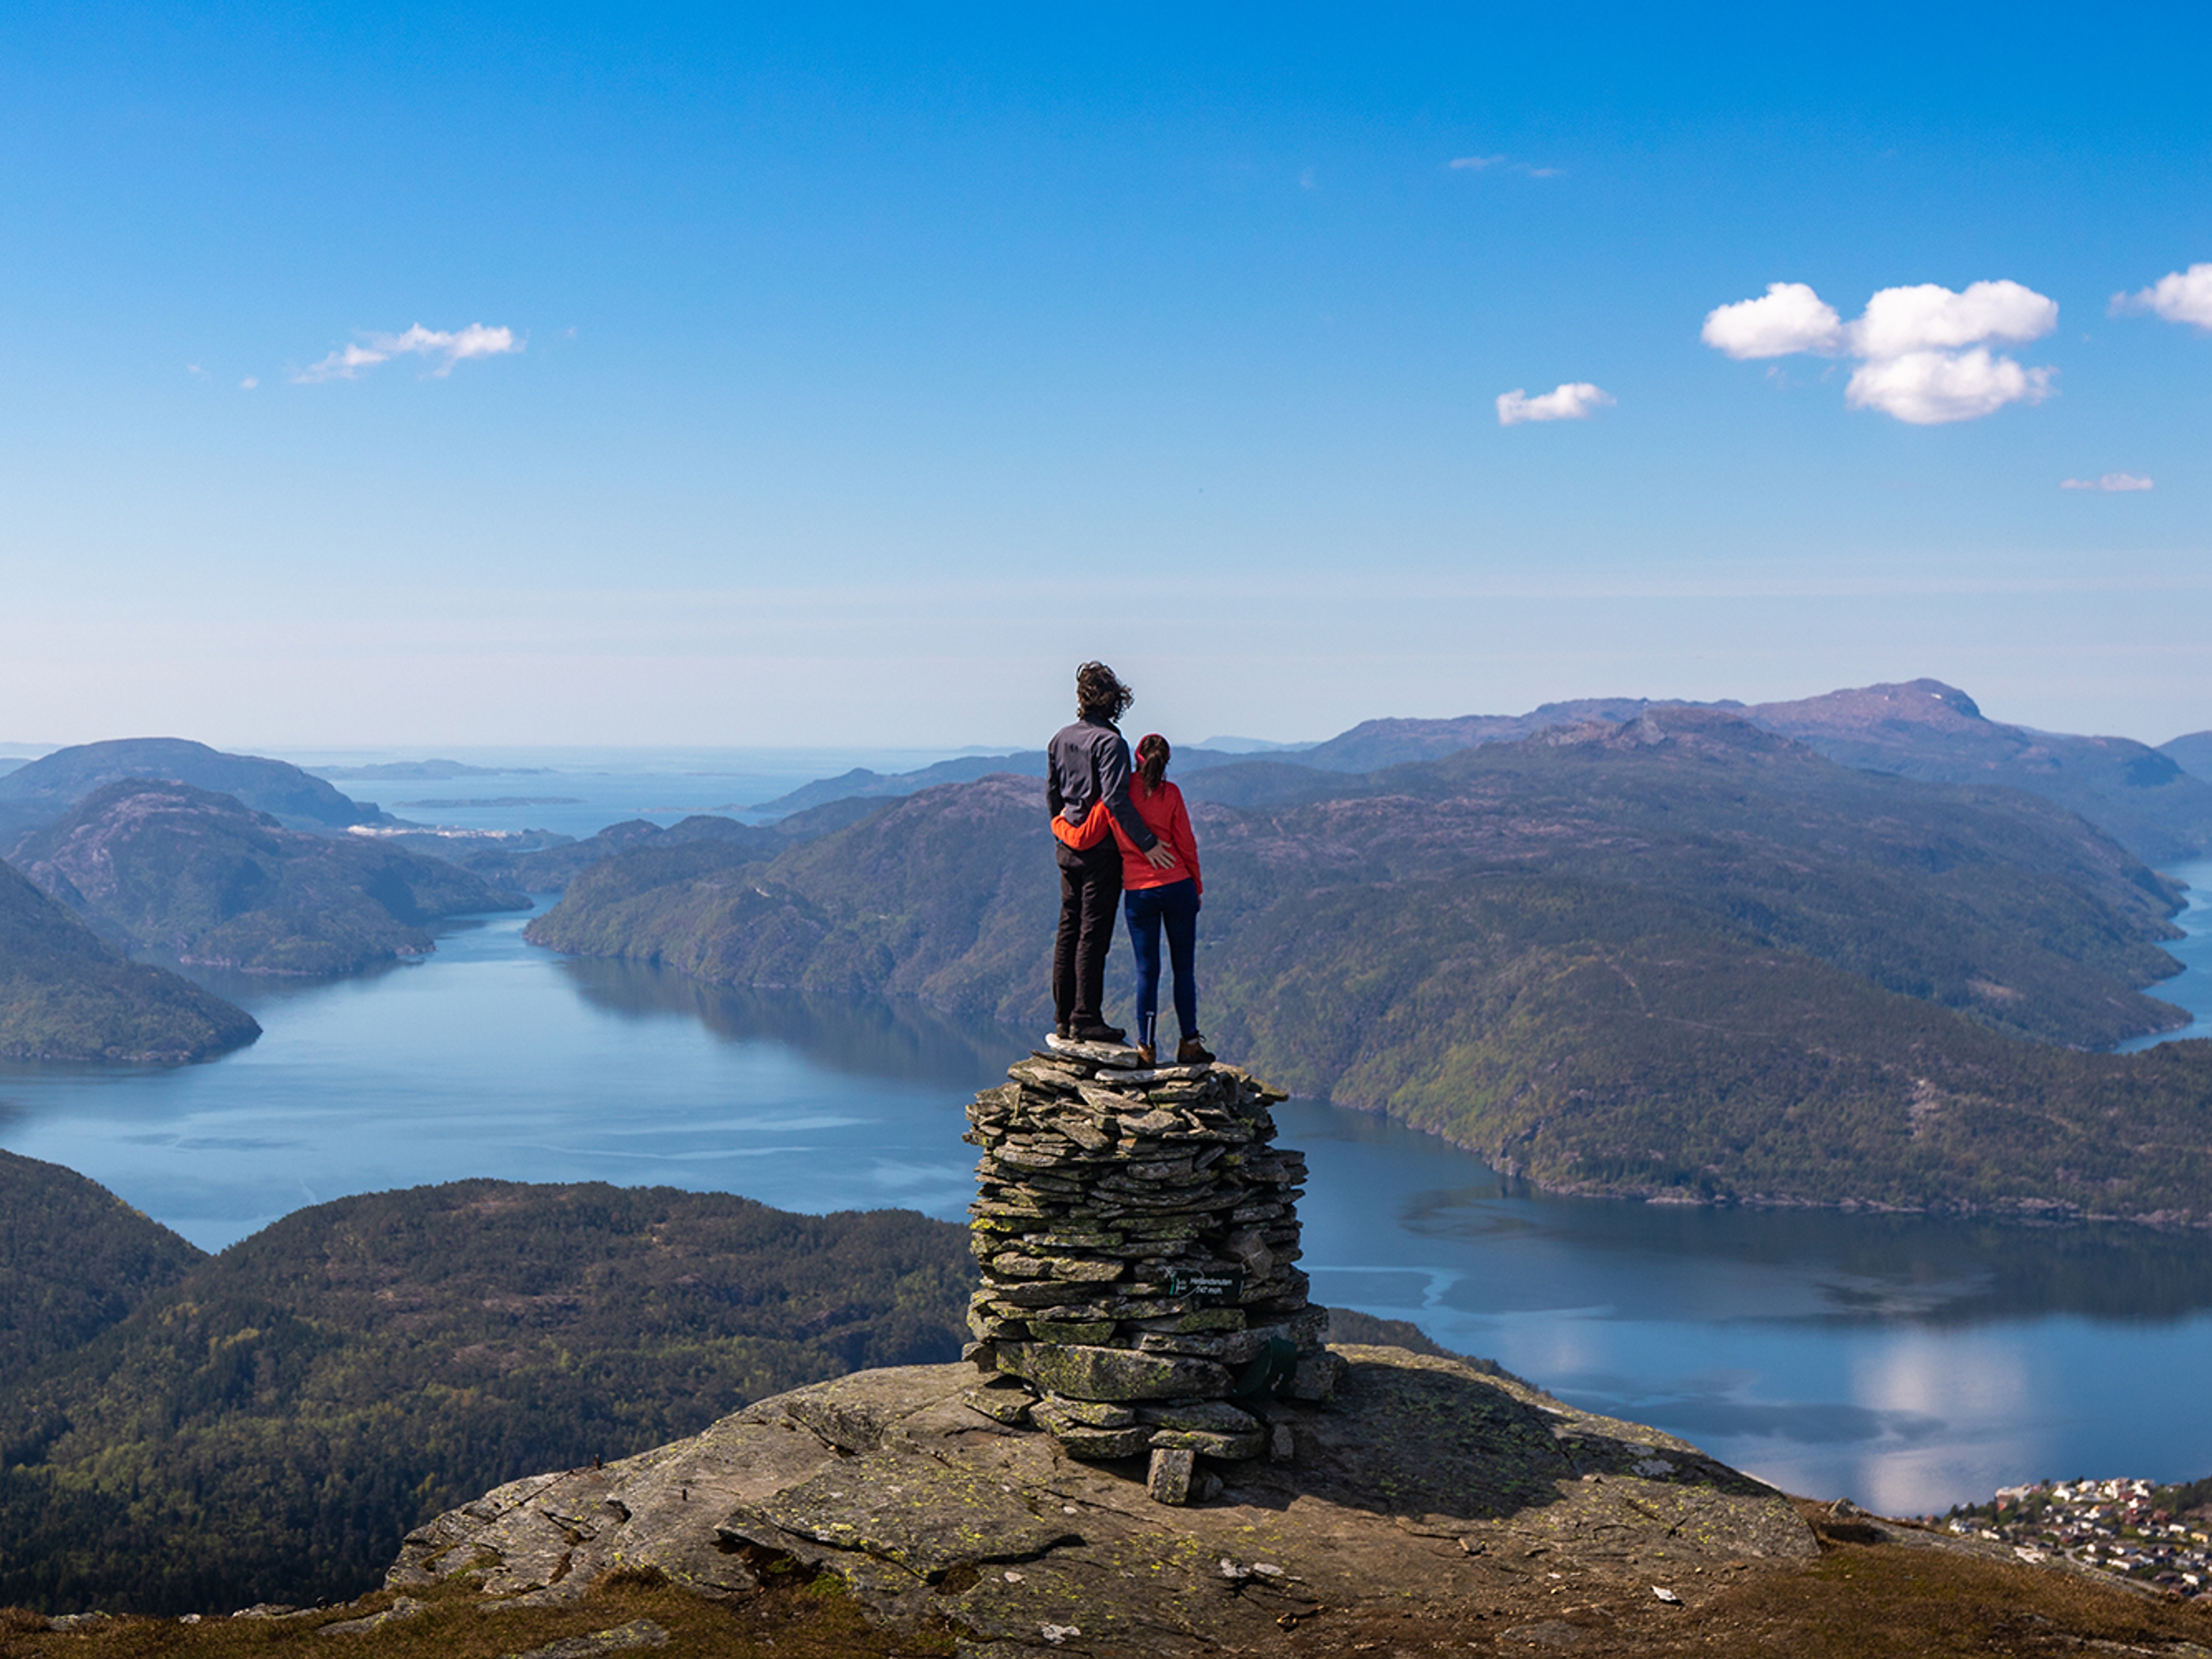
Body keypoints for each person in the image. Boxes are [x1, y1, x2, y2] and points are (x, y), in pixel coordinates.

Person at [1047, 662, 1174, 1043]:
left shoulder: (1059, 740)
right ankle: (1086, 1017)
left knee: (1068, 929)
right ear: (1113, 700)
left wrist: (1063, 835)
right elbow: (1117, 801)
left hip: (1067, 847)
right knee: (1093, 934)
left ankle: (1063, 1017)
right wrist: (1149, 845)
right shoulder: (1111, 744)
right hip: (1101, 851)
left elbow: (1053, 797)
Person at [1113, 733, 1212, 1065]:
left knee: (1147, 971)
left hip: (1139, 893)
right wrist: (1196, 886)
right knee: (1183, 968)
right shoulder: (1172, 794)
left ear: (1137, 758)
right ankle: (1190, 1042)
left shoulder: (1120, 793)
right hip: (1178, 887)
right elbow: (1186, 845)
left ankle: (1146, 1047)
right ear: (1166, 762)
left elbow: (1098, 828)